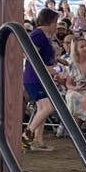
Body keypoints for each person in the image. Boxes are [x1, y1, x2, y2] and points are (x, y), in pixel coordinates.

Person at [21, 9, 60, 152]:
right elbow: (30, 54)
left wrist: (55, 61)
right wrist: (46, 68)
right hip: (35, 77)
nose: (56, 25)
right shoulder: (38, 35)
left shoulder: (42, 36)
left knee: (42, 109)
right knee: (47, 107)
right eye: (55, 22)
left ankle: (39, 140)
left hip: (39, 77)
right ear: (49, 22)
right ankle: (26, 135)